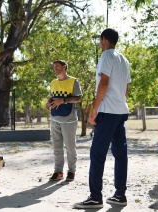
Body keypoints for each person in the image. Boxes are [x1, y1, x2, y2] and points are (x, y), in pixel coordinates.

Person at [73, 28, 131, 209]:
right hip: (121, 111)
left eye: (100, 40)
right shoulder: (124, 59)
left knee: (97, 153)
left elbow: (104, 83)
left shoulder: (107, 56)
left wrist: (94, 109)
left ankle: (95, 197)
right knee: (120, 154)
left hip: (107, 112)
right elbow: (126, 90)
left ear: (104, 39)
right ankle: (120, 195)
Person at [45, 60, 82, 182]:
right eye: (53, 66)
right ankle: (58, 171)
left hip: (69, 120)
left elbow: (78, 98)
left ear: (64, 67)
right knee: (57, 148)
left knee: (70, 147)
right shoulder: (53, 82)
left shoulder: (73, 81)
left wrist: (63, 101)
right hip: (55, 119)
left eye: (57, 66)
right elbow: (52, 96)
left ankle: (71, 171)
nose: (55, 68)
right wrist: (48, 103)